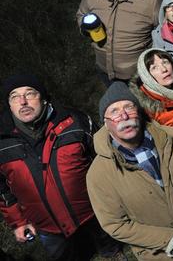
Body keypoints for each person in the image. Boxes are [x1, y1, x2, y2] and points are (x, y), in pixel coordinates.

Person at [0, 74, 122, 260]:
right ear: (9, 105)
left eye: (30, 93)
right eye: (14, 97)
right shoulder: (2, 142)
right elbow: (2, 190)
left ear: (43, 97)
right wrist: (18, 222)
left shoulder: (75, 122)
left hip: (95, 211)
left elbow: (104, 159)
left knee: (111, 248)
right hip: (47, 227)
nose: (23, 102)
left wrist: (114, 198)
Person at [87, 82, 173, 260]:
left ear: (140, 113)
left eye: (129, 106)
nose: (124, 115)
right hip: (159, 254)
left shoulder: (170, 136)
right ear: (105, 124)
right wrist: (172, 238)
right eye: (114, 111)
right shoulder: (98, 174)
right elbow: (115, 225)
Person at [76, 0, 161, 84]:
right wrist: (85, 27)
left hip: (137, 74)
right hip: (104, 70)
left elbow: (162, 29)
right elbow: (81, 14)